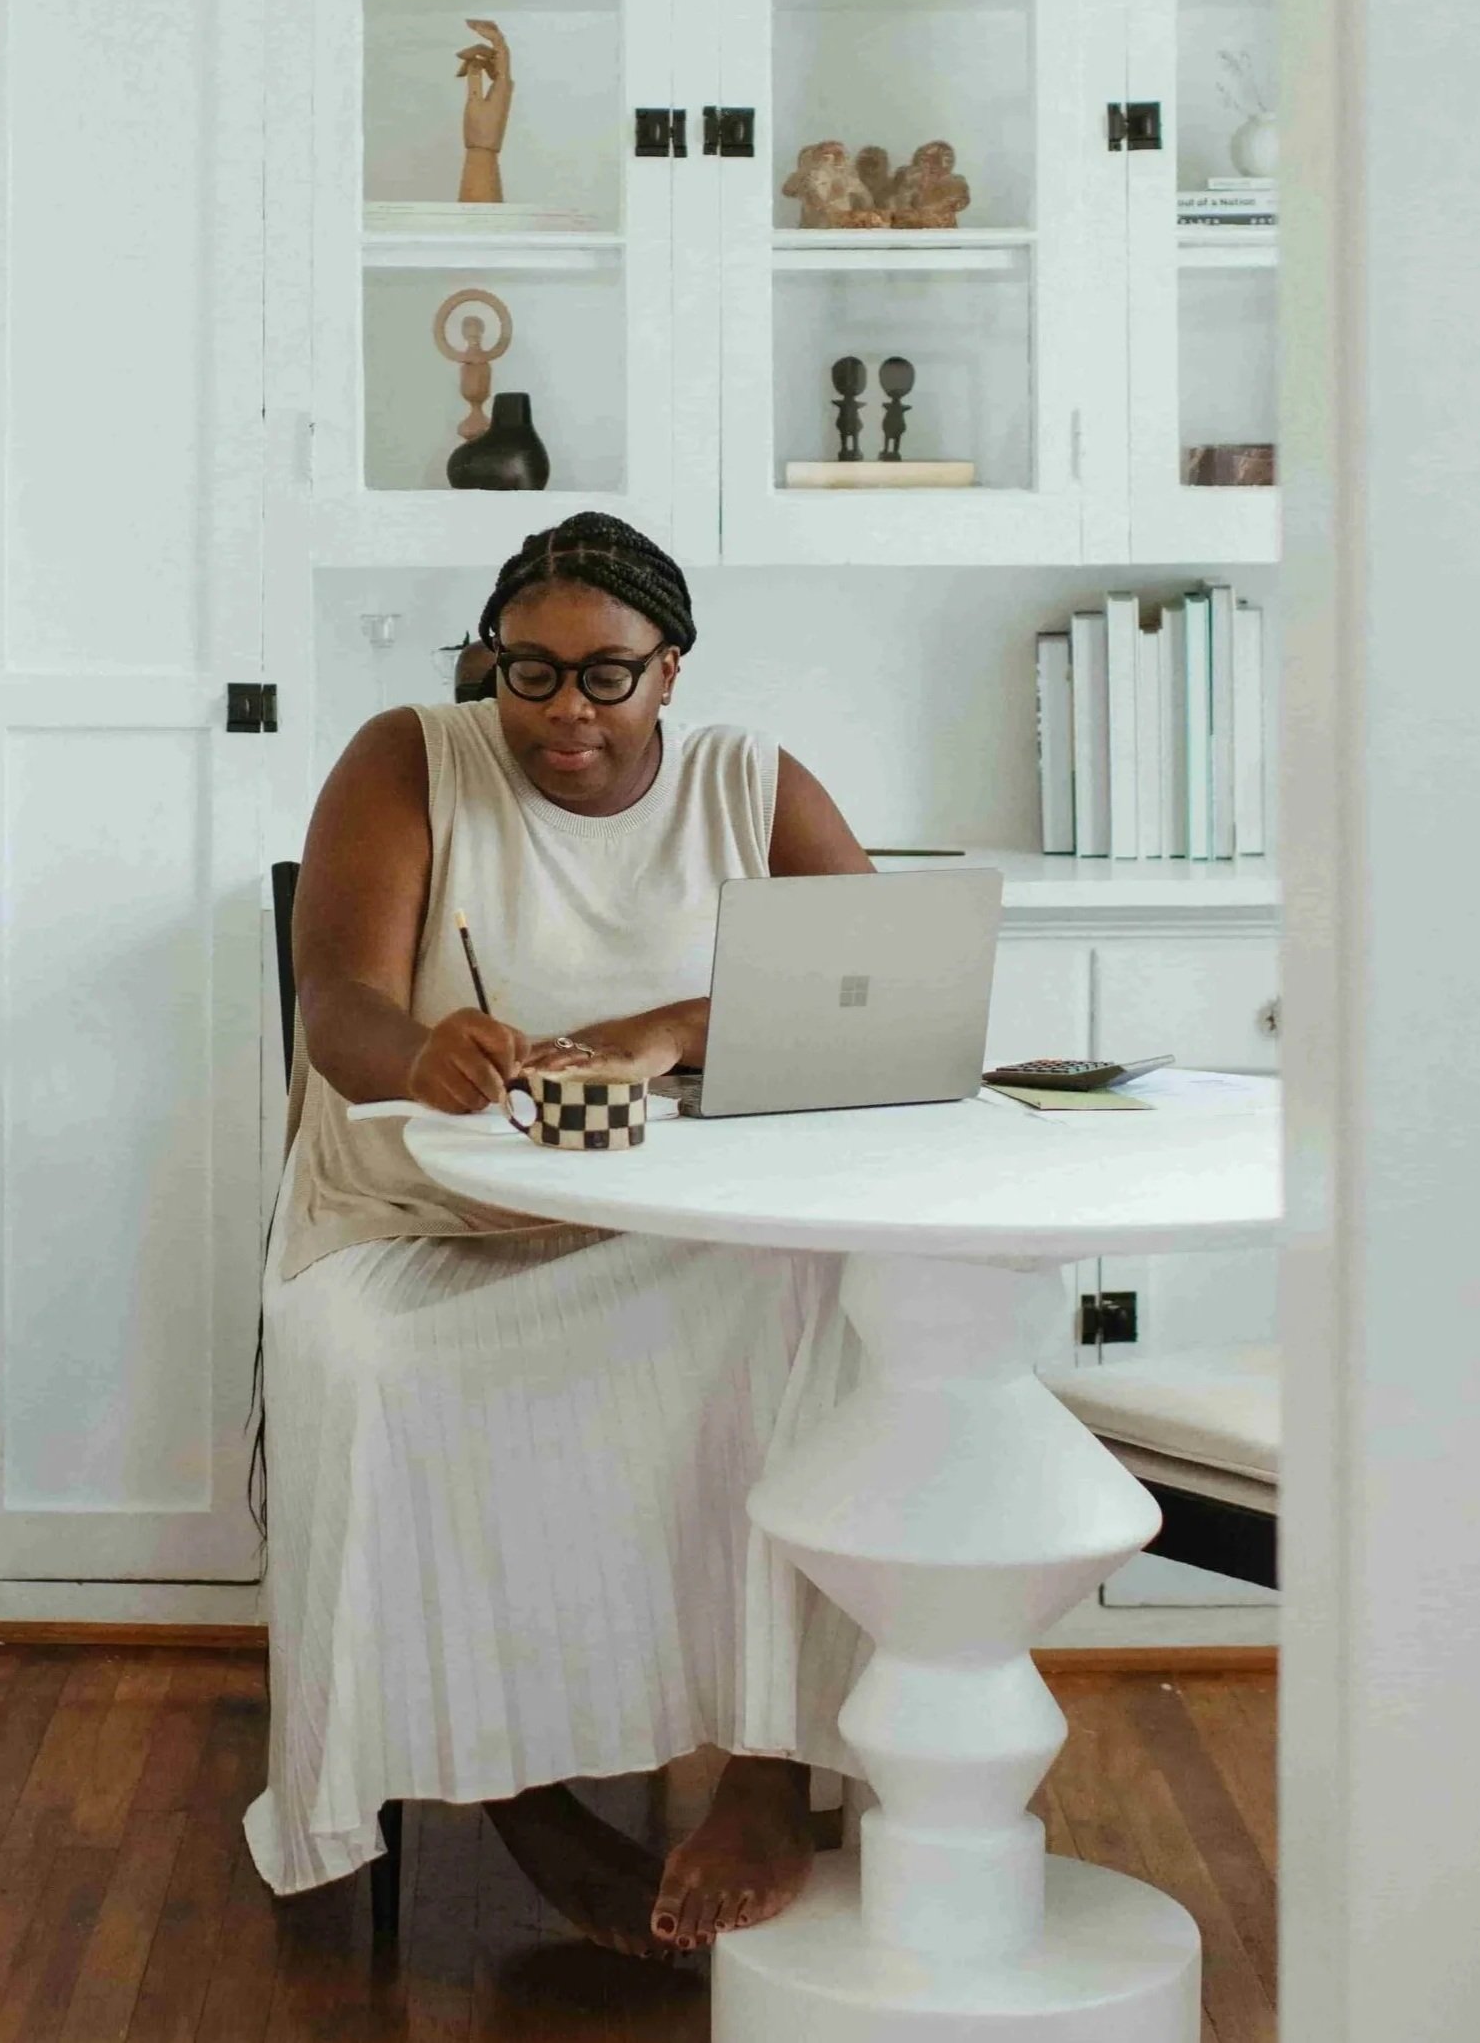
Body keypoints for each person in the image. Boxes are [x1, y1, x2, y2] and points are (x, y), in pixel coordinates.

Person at [243, 512, 876, 1961]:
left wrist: (667, 1028)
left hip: (668, 1220)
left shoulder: (746, 780)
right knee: (380, 1371)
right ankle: (509, 1792)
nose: (563, 713)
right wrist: (420, 1054)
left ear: (671, 671)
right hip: (416, 1214)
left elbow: (876, 988)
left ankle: (768, 1769)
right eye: (528, 672)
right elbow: (335, 1004)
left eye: (606, 676)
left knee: (823, 1318)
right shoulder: (409, 758)